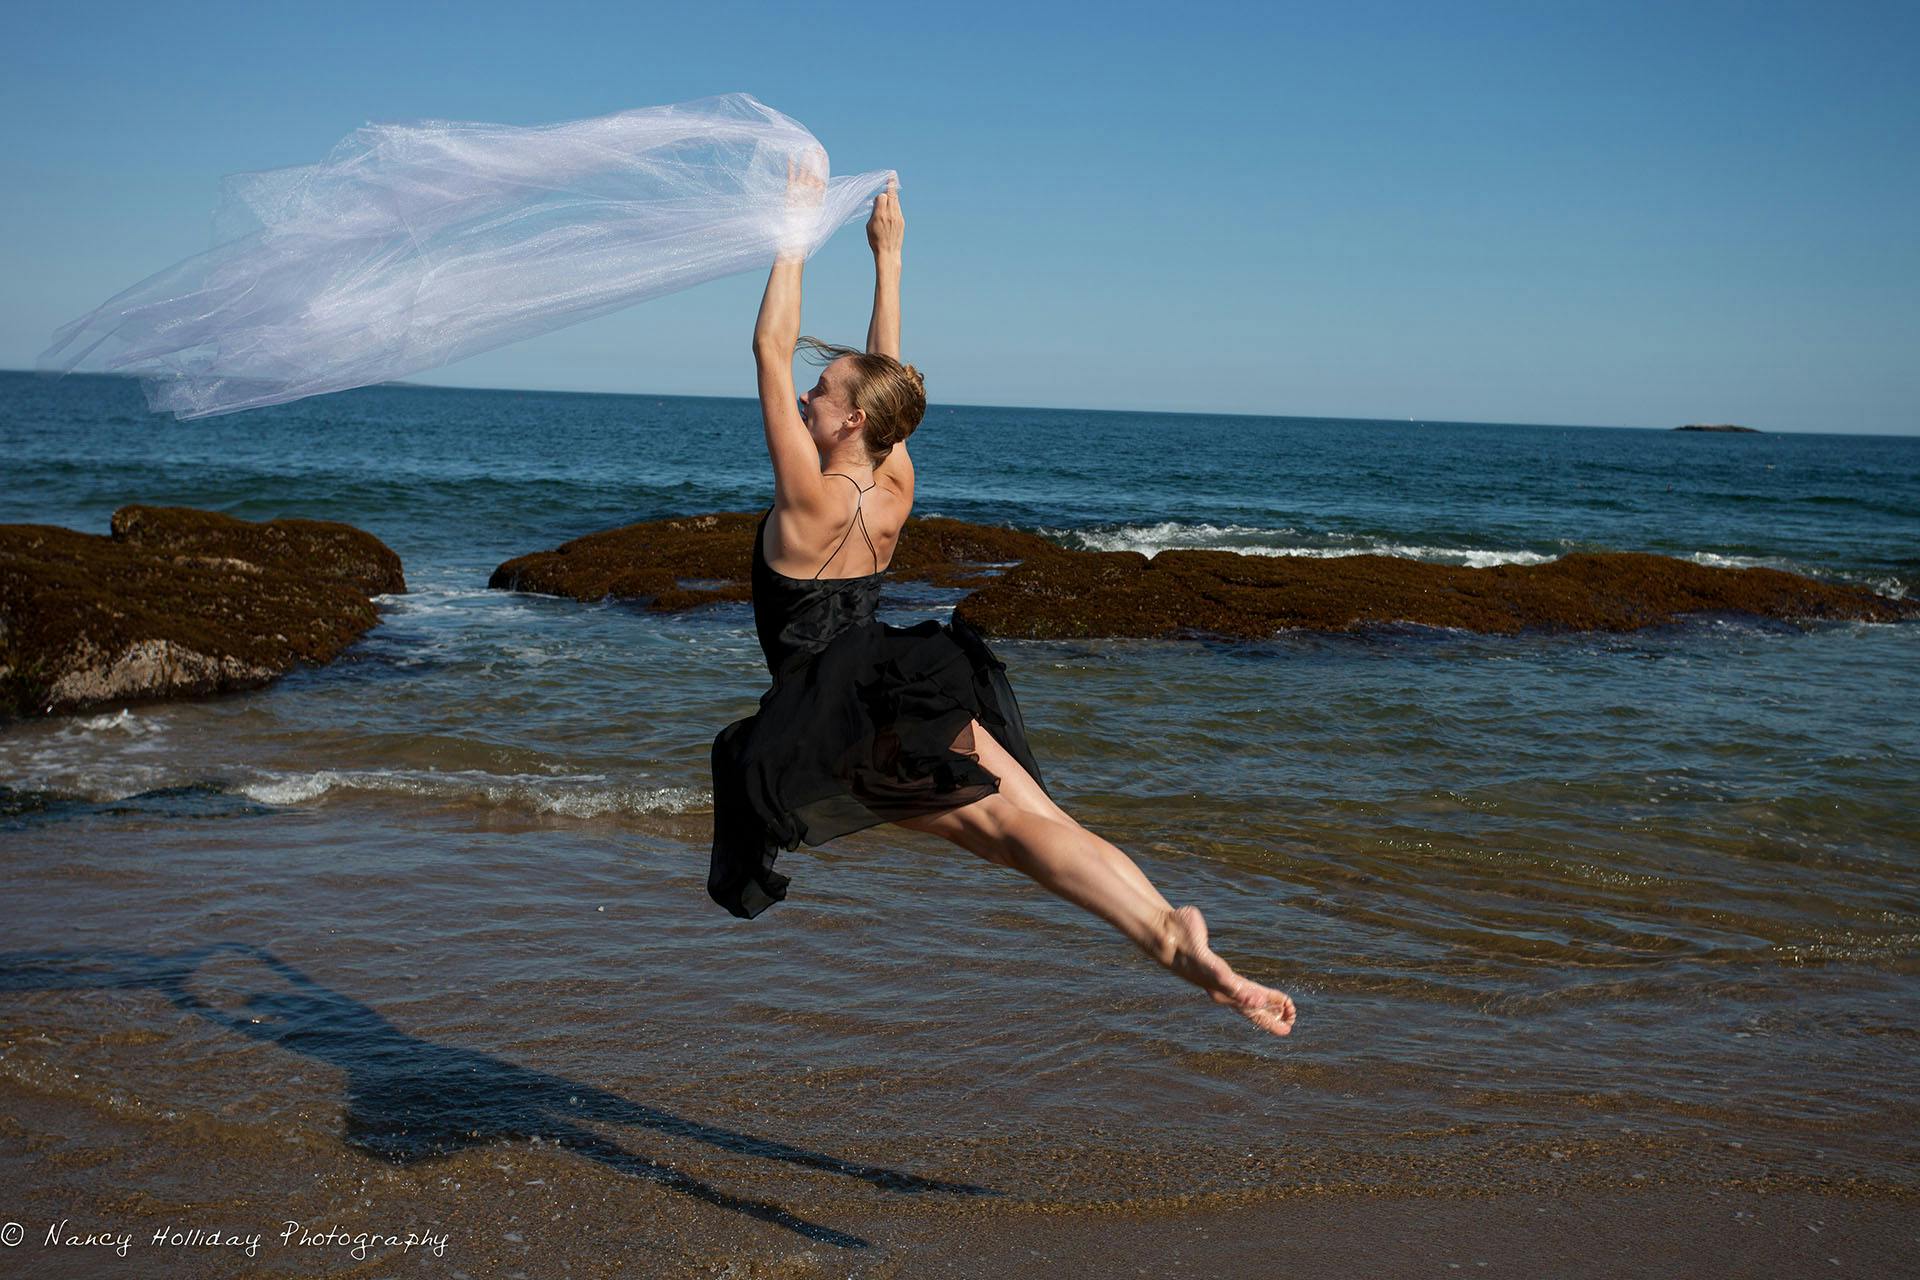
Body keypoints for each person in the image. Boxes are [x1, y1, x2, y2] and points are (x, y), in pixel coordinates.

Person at [709, 168, 1296, 1037]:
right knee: (1036, 819)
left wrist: (793, 229)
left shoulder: (811, 499)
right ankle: (1168, 932)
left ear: (846, 426)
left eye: (819, 394)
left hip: (843, 715)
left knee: (1012, 835)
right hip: (904, 678)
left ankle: (1175, 941)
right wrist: (889, 257)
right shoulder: (895, 475)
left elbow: (769, 346)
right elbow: (886, 378)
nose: (804, 394)